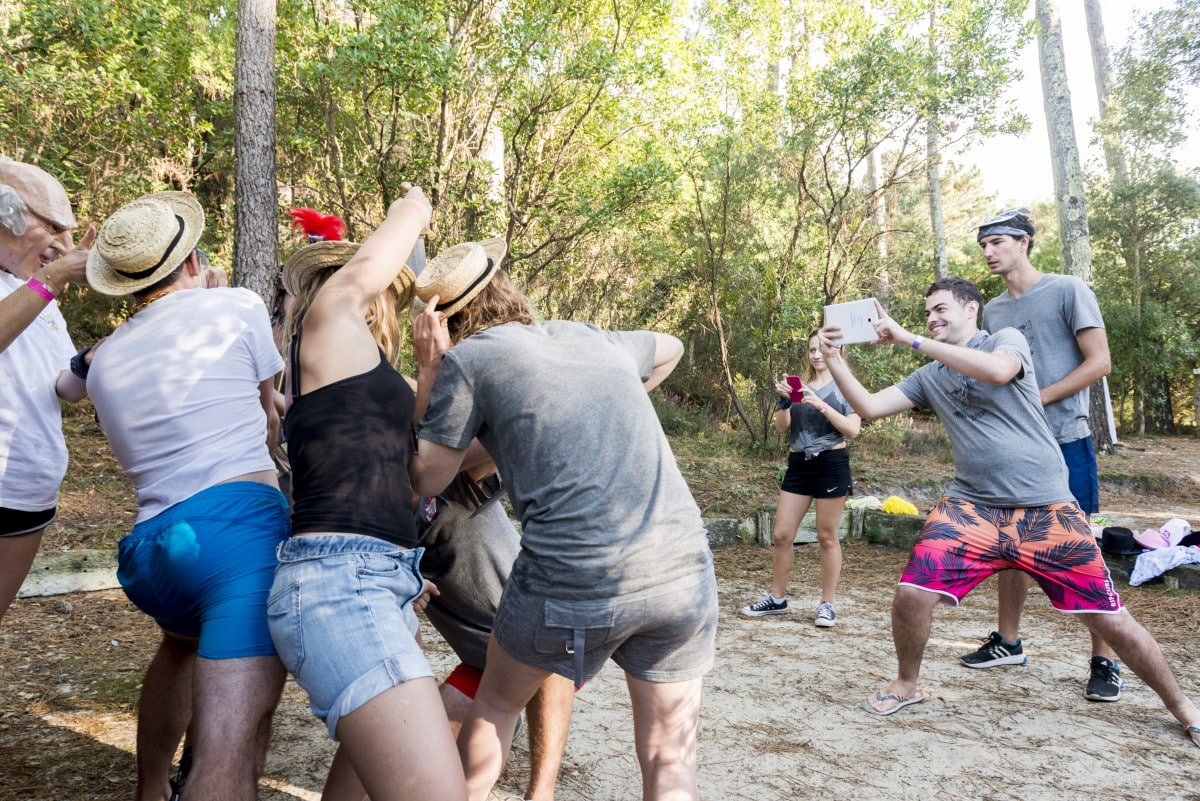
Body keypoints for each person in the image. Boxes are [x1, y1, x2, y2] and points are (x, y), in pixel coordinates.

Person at [815, 277, 1200, 751]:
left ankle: (1184, 708)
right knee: (912, 594)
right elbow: (871, 407)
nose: (932, 319)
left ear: (971, 308)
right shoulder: (930, 375)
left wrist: (911, 338)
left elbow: (998, 372)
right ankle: (905, 685)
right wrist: (834, 360)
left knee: (1111, 620)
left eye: (940, 309)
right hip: (971, 507)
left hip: (1045, 509)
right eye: (926, 314)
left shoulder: (1006, 339)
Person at [409, 239, 719, 801]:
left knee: (498, 706)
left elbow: (427, 477)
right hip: (683, 571)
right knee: (668, 758)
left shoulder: (467, 361)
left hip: (572, 578)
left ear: (443, 323)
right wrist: (606, 399)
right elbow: (669, 348)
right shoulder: (585, 336)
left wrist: (431, 367)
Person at [273, 233, 573, 801]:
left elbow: (396, 455)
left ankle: (537, 789)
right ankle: (538, 791)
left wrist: (432, 376)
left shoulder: (360, 369)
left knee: (505, 659)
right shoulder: (329, 341)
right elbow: (419, 472)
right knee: (532, 650)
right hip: (359, 574)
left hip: (385, 565)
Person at [83, 191, 290, 801]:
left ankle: (151, 788)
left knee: (178, 646)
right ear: (194, 259)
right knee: (228, 757)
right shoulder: (237, 305)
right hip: (235, 536)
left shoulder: (105, 357)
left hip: (150, 549)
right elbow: (269, 420)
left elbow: (72, 383)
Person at [265, 192, 470, 801]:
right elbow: (382, 251)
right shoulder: (326, 321)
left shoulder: (358, 377)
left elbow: (411, 477)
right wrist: (416, 202)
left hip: (375, 578)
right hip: (340, 583)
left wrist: (430, 377)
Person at [960, 207, 1122, 701]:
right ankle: (1008, 641)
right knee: (1010, 546)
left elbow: (1100, 362)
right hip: (1015, 448)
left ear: (1025, 241)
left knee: (1084, 552)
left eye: (999, 242)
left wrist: (1040, 398)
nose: (989, 251)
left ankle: (1105, 660)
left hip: (1066, 438)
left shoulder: (1068, 289)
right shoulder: (993, 311)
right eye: (983, 244)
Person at [0, 158, 95, 626]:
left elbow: (64, 387)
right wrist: (52, 280)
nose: (64, 245)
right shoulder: (39, 287)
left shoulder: (36, 293)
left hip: (27, 491)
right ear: (7, 212)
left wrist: (92, 363)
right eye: (54, 226)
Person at [742, 332, 861, 625]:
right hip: (798, 464)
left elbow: (852, 429)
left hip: (831, 464)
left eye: (822, 349)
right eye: (811, 350)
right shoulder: (800, 388)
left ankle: (826, 604)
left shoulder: (847, 387)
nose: (816, 355)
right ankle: (777, 599)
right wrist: (783, 404)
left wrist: (820, 404)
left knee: (826, 536)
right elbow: (783, 429)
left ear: (837, 350)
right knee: (782, 534)